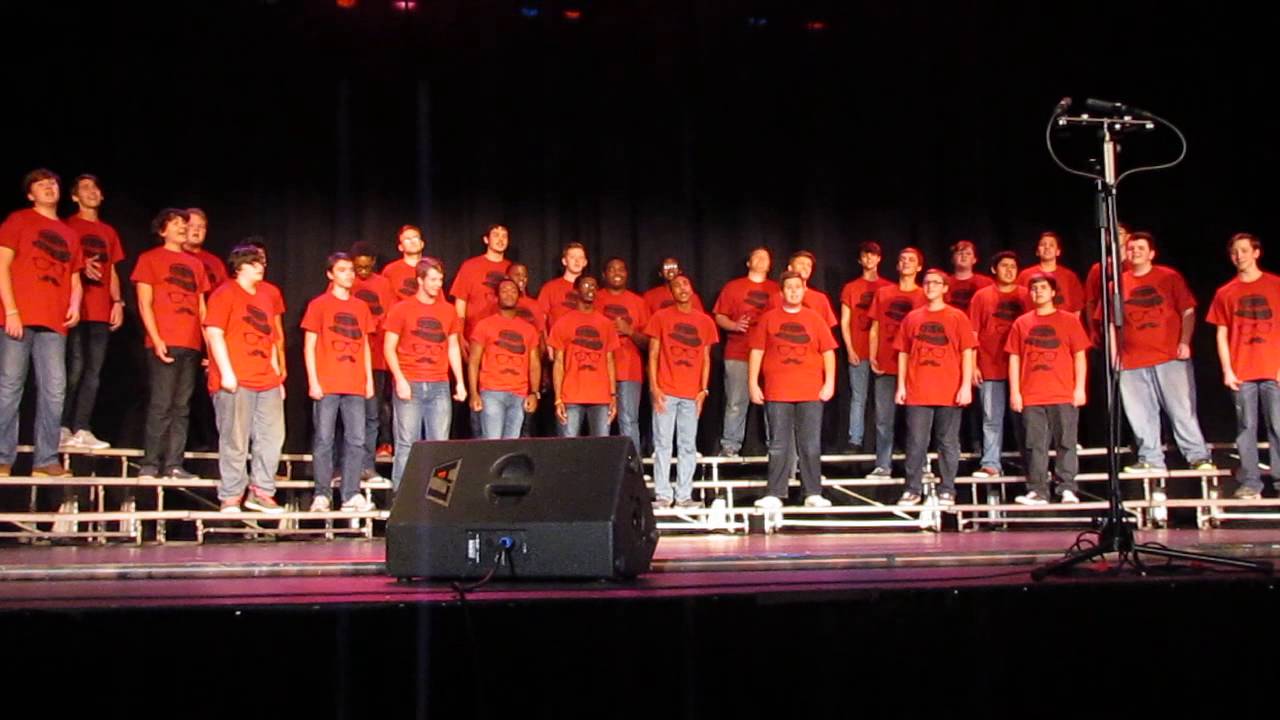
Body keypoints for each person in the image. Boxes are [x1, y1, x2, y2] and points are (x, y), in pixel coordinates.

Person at [0, 169, 83, 479]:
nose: (49, 187)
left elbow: (75, 277)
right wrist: (10, 311)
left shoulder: (69, 233)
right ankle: (2, 457)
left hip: (54, 322)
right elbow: (2, 265)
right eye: (41, 184)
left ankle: (45, 460)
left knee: (55, 390)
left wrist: (75, 304)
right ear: (30, 194)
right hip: (18, 317)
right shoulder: (18, 221)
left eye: (53, 183)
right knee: (9, 387)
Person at [1111, 232, 1215, 478]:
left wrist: (1184, 341)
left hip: (1169, 356)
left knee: (1181, 409)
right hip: (1132, 360)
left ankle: (1198, 456)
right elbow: (1112, 323)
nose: (1135, 251)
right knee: (1140, 414)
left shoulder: (1168, 277)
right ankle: (1151, 459)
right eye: (1131, 247)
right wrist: (1115, 354)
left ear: (1151, 253)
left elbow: (1188, 310)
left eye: (1140, 248)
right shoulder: (1116, 284)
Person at [204, 244, 286, 513]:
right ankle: (230, 495)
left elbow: (272, 337)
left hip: (266, 379)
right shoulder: (225, 294)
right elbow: (214, 333)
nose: (260, 266)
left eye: (261, 261)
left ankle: (261, 491)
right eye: (253, 263)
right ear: (239, 267)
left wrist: (277, 374)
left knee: (272, 436)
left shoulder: (268, 294)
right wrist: (227, 373)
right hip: (236, 379)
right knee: (235, 439)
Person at [132, 208, 209, 481]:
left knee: (182, 407)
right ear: (162, 230)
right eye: (175, 223)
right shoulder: (150, 259)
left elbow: (201, 308)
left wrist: (207, 346)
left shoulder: (196, 264)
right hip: (165, 340)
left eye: (183, 223)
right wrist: (155, 338)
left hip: (190, 343)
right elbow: (145, 302)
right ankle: (150, 464)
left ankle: (174, 464)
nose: (181, 227)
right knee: (161, 404)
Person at [748, 271, 837, 509]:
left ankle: (812, 492)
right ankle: (775, 493)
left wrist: (829, 383)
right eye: (789, 287)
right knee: (778, 443)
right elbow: (756, 351)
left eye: (798, 287)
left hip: (810, 390)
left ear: (804, 289)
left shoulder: (815, 319)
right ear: (782, 291)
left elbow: (828, 351)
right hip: (777, 390)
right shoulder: (768, 319)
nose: (794, 291)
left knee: (810, 443)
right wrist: (753, 383)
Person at [1206, 233, 1280, 500]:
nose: (1239, 256)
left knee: (1278, 425)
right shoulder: (1225, 292)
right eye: (1235, 252)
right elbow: (1221, 334)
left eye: (1244, 251)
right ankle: (1251, 482)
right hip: (1242, 371)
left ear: (1256, 253)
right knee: (1246, 428)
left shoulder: (1275, 285)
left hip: (1273, 370)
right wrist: (1227, 370)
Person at [893, 269, 976, 506]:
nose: (930, 286)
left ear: (945, 288)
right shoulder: (912, 318)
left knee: (948, 441)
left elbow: (967, 351)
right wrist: (901, 386)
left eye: (936, 283)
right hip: (917, 390)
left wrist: (965, 386)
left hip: (949, 390)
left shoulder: (957, 317)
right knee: (916, 441)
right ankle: (912, 489)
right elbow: (903, 353)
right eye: (927, 283)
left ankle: (947, 489)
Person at [383, 257, 466, 490]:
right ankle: (401, 499)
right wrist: (400, 379)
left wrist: (459, 382)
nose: (437, 284)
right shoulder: (401, 309)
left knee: (440, 445)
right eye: (432, 279)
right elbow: (389, 347)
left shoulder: (448, 311)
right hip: (411, 382)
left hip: (439, 384)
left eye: (440, 279)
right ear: (420, 280)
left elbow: (452, 346)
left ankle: (438, 498)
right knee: (407, 444)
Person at [1007, 274, 1090, 505]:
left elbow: (1079, 355)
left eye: (1043, 288)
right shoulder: (1021, 323)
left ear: (1053, 293)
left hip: (1063, 392)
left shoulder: (1069, 320)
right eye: (1034, 289)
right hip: (1032, 394)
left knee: (1066, 441)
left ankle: (1067, 487)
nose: (1038, 292)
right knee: (1035, 444)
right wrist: (1016, 392)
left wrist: (1079, 388)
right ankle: (1038, 489)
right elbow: (1014, 358)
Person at [303, 252, 376, 511]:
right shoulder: (319, 304)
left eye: (351, 270)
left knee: (356, 439)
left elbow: (365, 345)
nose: (349, 274)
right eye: (343, 270)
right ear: (330, 274)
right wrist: (313, 380)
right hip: (328, 382)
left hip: (355, 383)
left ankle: (350, 494)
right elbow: (309, 345)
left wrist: (368, 380)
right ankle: (322, 493)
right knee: (324, 438)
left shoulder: (360, 307)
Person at [61, 174, 124, 451]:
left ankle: (82, 427)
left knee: (93, 373)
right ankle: (61, 427)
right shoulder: (67, 226)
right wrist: (80, 264)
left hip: (100, 310)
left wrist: (118, 303)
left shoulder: (108, 232)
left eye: (95, 187)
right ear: (74, 197)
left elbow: (112, 271)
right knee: (73, 369)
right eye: (85, 188)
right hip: (75, 309)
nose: (92, 192)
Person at [646, 274, 717, 508]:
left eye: (685, 284)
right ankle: (664, 495)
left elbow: (706, 359)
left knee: (688, 445)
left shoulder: (705, 321)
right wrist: (654, 388)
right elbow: (653, 354)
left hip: (691, 393)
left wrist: (703, 390)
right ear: (671, 292)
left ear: (692, 288)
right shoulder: (660, 318)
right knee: (663, 444)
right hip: (666, 390)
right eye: (676, 286)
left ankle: (684, 495)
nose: (682, 289)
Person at [967, 251, 1031, 478]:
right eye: (1004, 266)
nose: (1009, 270)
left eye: (1013, 266)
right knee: (991, 419)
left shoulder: (1027, 295)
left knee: (1026, 420)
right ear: (994, 269)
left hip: (1023, 371)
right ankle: (991, 463)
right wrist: (973, 365)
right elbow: (972, 332)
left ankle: (1032, 466)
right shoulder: (982, 296)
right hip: (991, 366)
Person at [866, 247, 927, 477]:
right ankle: (883, 464)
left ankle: (919, 465)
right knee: (884, 419)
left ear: (919, 266)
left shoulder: (924, 295)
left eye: (912, 260)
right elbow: (875, 327)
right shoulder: (883, 293)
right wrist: (872, 354)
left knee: (916, 423)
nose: (906, 262)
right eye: (902, 259)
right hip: (886, 363)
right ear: (897, 265)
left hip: (916, 367)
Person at [712, 246, 779, 456]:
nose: (761, 260)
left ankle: (775, 447)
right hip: (738, 352)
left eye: (765, 257)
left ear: (770, 264)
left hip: (769, 355)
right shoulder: (733, 287)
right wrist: (733, 325)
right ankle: (730, 446)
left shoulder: (777, 289)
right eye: (756, 257)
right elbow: (719, 315)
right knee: (736, 401)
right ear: (748, 263)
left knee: (773, 402)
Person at [468, 278, 541, 438]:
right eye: (504, 291)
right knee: (492, 444)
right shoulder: (484, 325)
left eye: (513, 291)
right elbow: (473, 362)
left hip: (519, 394)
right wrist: (474, 393)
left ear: (519, 296)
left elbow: (534, 364)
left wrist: (534, 393)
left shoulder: (528, 329)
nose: (509, 294)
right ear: (497, 296)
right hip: (492, 392)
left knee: (511, 446)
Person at [549, 274, 619, 437]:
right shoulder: (563, 322)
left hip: (601, 397)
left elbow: (610, 361)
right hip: (571, 396)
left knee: (600, 447)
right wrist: (558, 398)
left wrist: (613, 396)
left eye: (594, 286)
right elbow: (558, 363)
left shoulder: (606, 324)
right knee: (568, 448)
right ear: (576, 289)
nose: (591, 289)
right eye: (586, 285)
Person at [350, 240, 397, 472]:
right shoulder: (347, 281)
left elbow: (391, 316)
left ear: (374, 264)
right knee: (350, 414)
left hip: (377, 357)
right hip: (350, 359)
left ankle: (371, 459)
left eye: (367, 267)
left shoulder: (384, 284)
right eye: (359, 267)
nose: (362, 272)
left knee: (374, 410)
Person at [839, 241, 890, 451]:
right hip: (858, 350)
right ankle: (855, 440)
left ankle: (885, 442)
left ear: (879, 259)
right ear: (860, 260)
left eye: (873, 255)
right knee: (859, 397)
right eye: (865, 255)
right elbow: (844, 321)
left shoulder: (887, 288)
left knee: (883, 402)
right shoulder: (851, 288)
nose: (869, 259)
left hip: (881, 351)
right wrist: (850, 349)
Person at [600, 257, 649, 452]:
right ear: (604, 274)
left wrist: (629, 331)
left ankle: (633, 469)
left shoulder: (638, 302)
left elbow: (649, 342)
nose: (617, 273)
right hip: (599, 372)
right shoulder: (596, 299)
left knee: (629, 420)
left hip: (630, 371)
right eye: (612, 269)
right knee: (601, 423)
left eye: (621, 269)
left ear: (627, 274)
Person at [452, 224, 512, 346]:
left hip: (503, 337)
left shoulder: (512, 269)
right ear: (486, 240)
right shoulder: (470, 266)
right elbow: (460, 302)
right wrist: (459, 334)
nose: (500, 240)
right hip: (473, 335)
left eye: (504, 236)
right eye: (496, 235)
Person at [1016, 231, 1084, 313]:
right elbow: (1018, 304)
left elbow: (1077, 308)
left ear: (1058, 252)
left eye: (1051, 245)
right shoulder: (1025, 275)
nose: (1047, 247)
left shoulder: (1070, 276)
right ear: (1037, 251)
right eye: (1043, 245)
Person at [537, 241, 589, 336]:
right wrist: (546, 344)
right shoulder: (550, 288)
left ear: (585, 262)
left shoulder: (591, 289)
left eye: (580, 258)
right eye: (572, 257)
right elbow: (541, 319)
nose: (577, 261)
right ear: (564, 261)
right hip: (557, 344)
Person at [784, 250, 838, 327]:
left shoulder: (821, 299)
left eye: (809, 265)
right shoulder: (776, 298)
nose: (805, 267)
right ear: (790, 268)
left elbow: (826, 330)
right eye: (801, 263)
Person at [382, 224, 426, 300]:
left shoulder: (431, 268)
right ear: (400, 247)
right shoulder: (390, 271)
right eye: (407, 239)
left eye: (415, 238)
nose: (412, 242)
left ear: (422, 244)